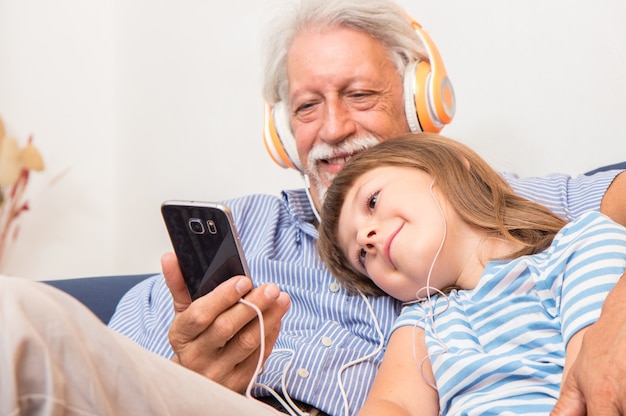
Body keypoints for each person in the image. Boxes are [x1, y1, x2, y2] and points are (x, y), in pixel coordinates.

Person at [1, 0, 624, 415]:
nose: (332, 129)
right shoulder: (243, 229)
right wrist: (192, 372)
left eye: (359, 94)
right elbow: (108, 370)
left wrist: (608, 321)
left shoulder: (500, 204)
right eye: (305, 108)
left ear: (421, 103)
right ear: (281, 134)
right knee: (18, 317)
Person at [317, 132, 626, 414]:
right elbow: (394, 404)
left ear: (445, 166)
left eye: (372, 201)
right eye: (361, 256)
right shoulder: (423, 324)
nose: (365, 238)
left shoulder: (581, 244)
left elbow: (591, 374)